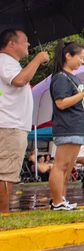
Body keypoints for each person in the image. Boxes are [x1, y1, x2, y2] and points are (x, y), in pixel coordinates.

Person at [49, 40, 84, 209]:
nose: (82, 61)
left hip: (77, 127)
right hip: (68, 126)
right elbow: (61, 103)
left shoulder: (71, 77)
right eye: (80, 57)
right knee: (61, 166)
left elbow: (82, 101)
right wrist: (82, 92)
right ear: (68, 56)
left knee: (66, 168)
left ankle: (61, 200)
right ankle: (57, 201)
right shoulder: (60, 77)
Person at [0, 29, 49, 213]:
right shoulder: (6, 61)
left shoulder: (7, 63)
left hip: (10, 125)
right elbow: (19, 80)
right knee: (6, 174)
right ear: (11, 44)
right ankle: (3, 217)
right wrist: (37, 59)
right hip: (10, 126)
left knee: (6, 172)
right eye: (25, 40)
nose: (28, 44)